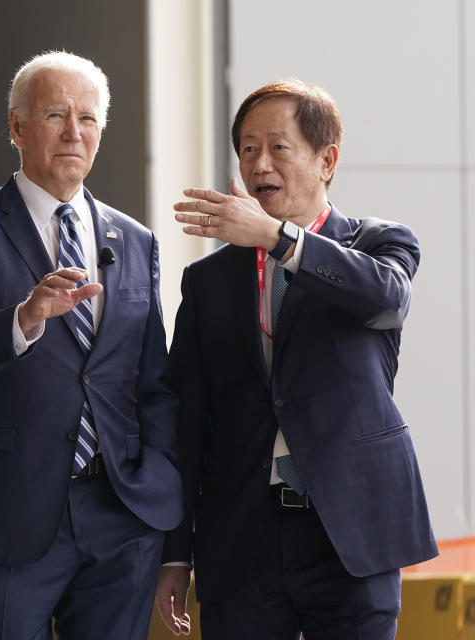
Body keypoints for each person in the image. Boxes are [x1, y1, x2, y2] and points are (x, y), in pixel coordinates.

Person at [155, 79, 438, 639]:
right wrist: (175, 554)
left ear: (326, 160)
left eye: (278, 147)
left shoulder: (380, 246)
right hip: (242, 539)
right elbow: (185, 423)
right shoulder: (207, 282)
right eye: (248, 148)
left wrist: (278, 239)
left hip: (350, 534)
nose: (260, 162)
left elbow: (385, 301)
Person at [0, 51, 183, 640]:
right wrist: (25, 317)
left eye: (88, 119)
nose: (74, 132)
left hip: (122, 511)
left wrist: (161, 487)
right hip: (9, 512)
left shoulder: (136, 240)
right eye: (55, 116)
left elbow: (153, 384)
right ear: (17, 127)